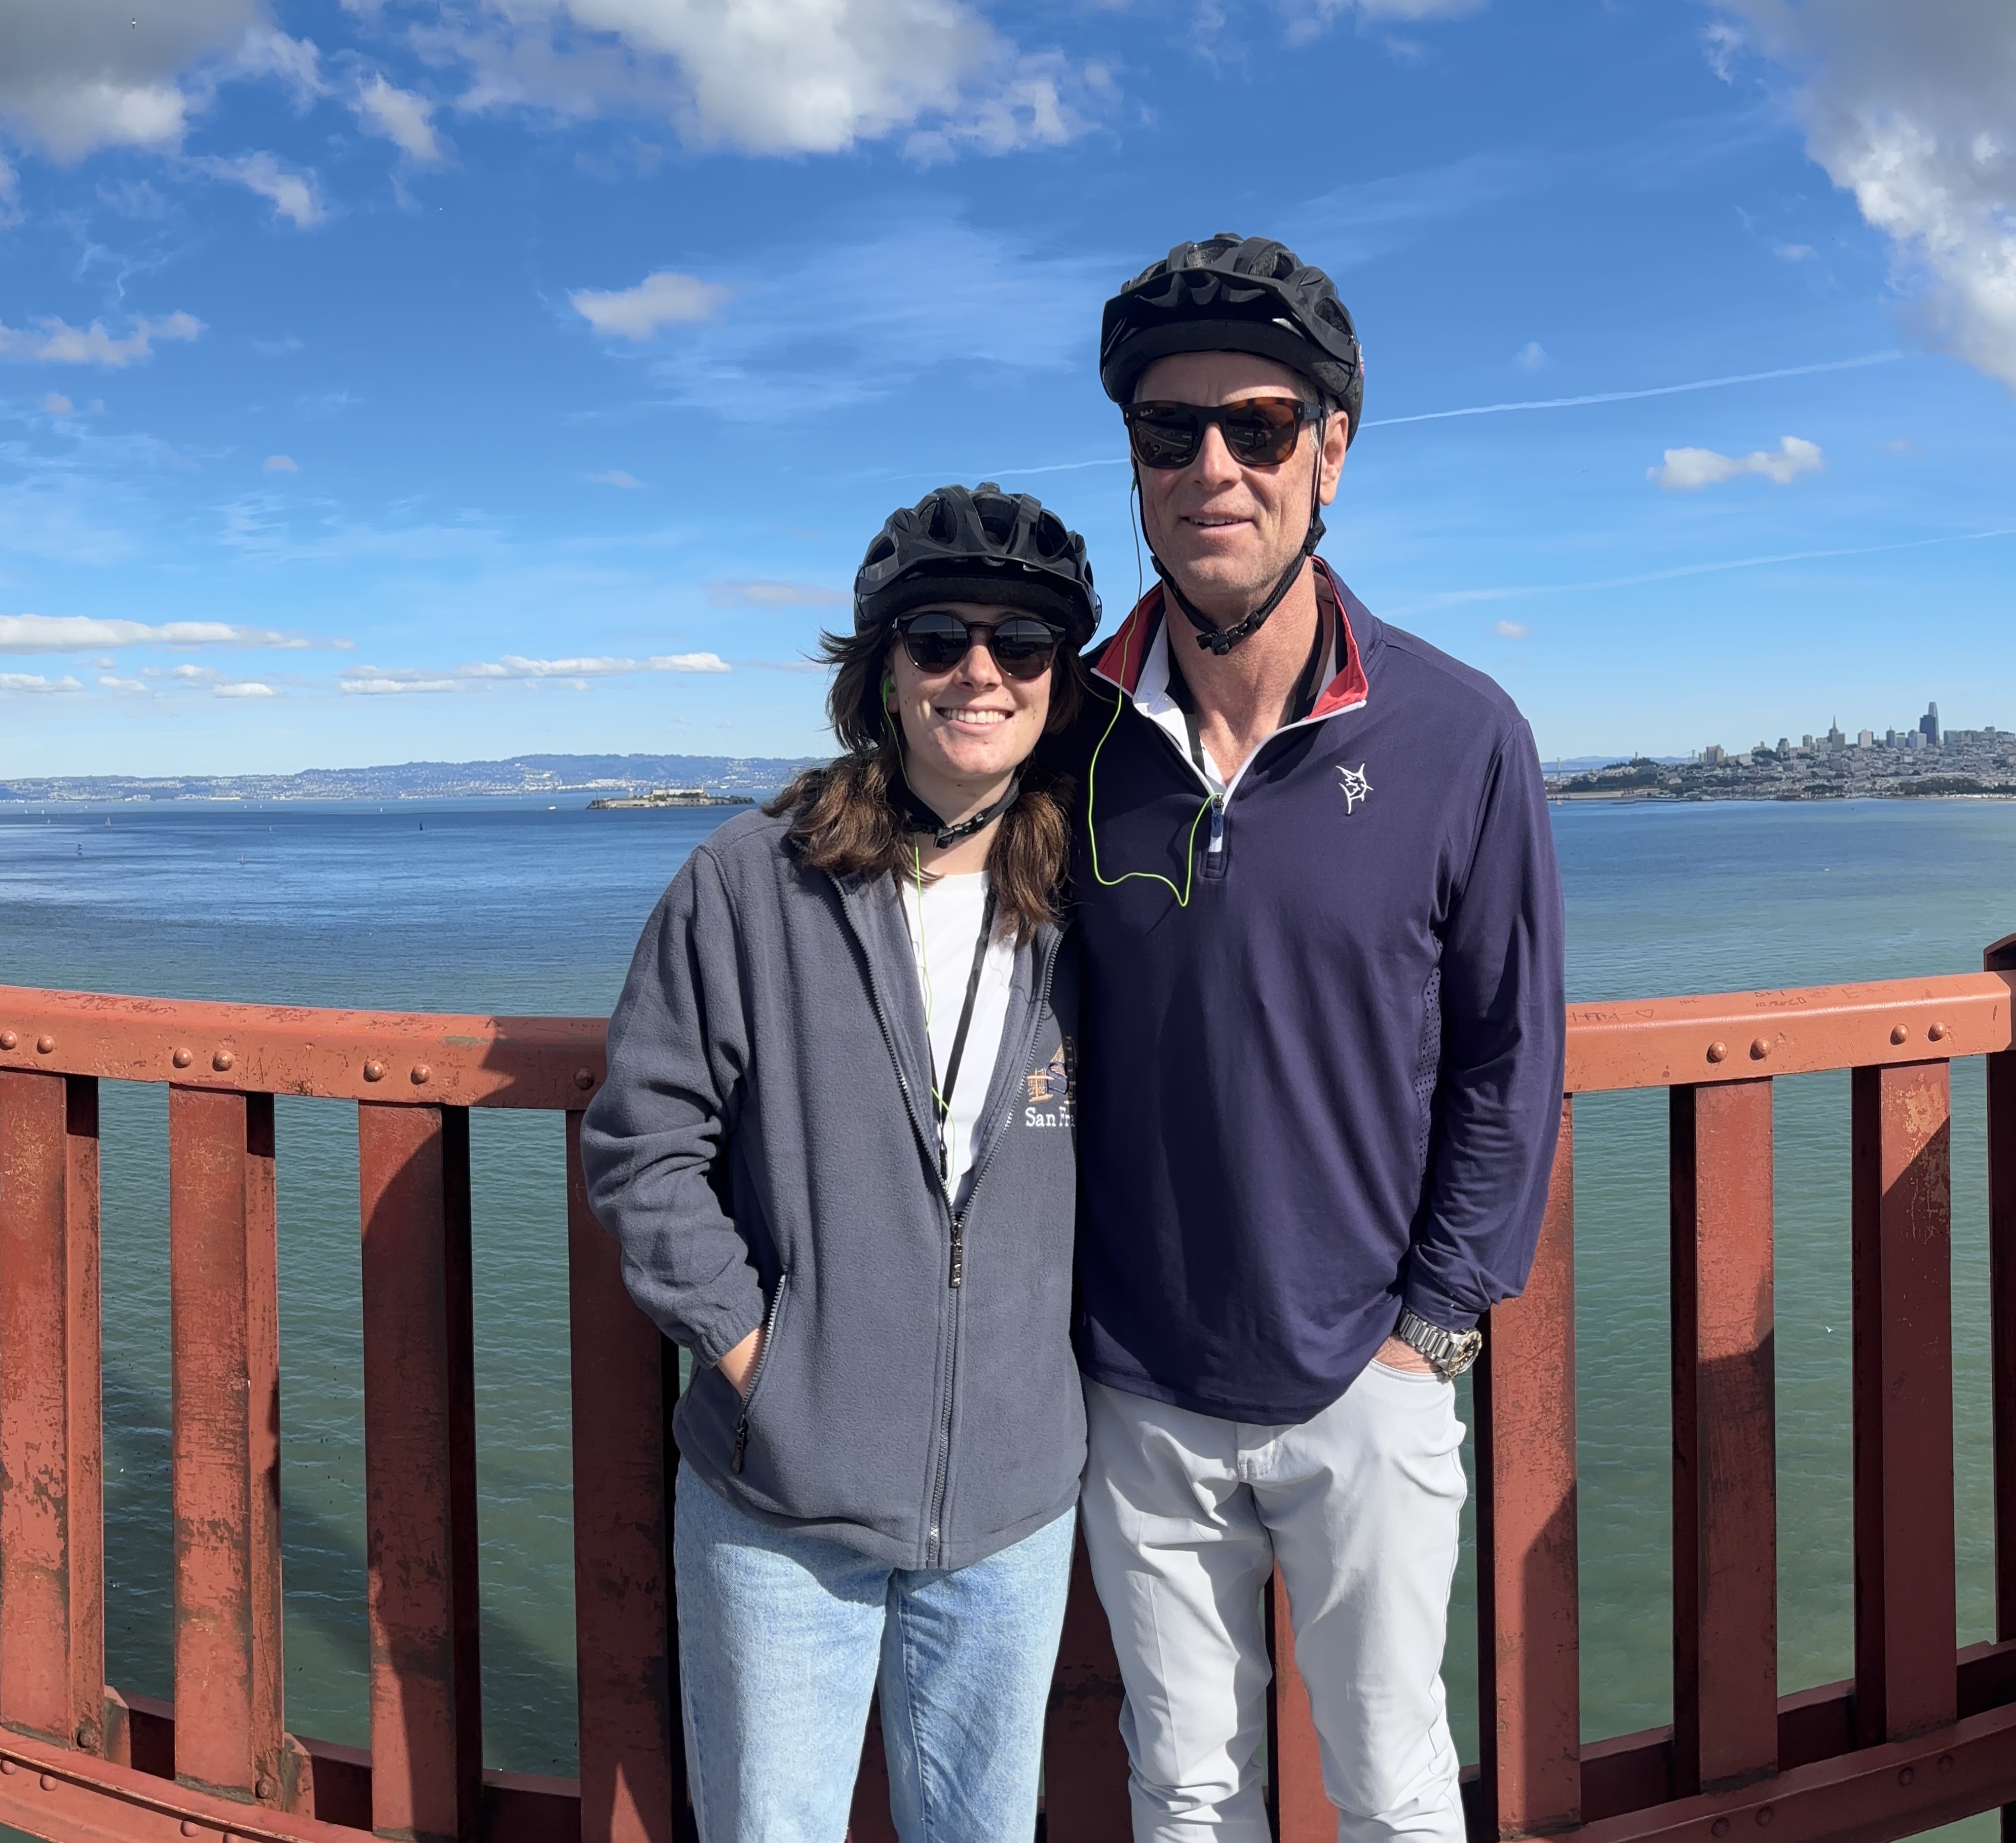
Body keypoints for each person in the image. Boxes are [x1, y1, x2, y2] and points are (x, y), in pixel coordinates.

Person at [1066, 235, 1567, 1843]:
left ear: (1331, 448)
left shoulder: (1456, 731)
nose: (1211, 463)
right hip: (1131, 1377)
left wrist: (1436, 1323)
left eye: (1260, 424)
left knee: (1394, 1779)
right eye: (1167, 429)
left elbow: (1509, 1045)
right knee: (1184, 1786)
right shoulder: (1065, 735)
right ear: (1132, 461)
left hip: (1370, 1369)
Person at [584, 483, 1103, 1843]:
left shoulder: (1093, 902)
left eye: (1022, 645)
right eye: (937, 638)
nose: (978, 671)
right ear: (878, 671)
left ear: (1058, 678)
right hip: (780, 1501)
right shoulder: (749, 879)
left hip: (1014, 1503)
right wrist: (761, 1359)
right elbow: (645, 1142)